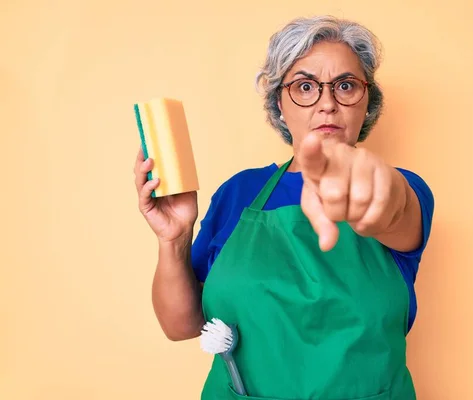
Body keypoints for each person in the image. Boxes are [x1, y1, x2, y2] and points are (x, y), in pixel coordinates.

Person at [134, 15, 434, 400]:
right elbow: (182, 325)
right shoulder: (239, 192)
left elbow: (393, 209)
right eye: (305, 86)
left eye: (345, 86)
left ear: (366, 102)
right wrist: (173, 238)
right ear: (280, 103)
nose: (327, 103)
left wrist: (374, 184)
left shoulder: (404, 188)